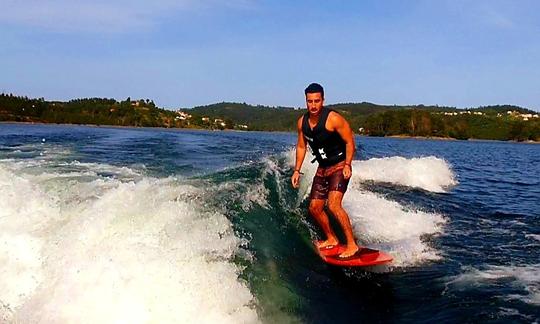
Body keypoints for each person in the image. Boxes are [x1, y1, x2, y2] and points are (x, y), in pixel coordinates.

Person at [291, 83, 360, 258]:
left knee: (334, 205)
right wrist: (297, 170)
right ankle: (332, 238)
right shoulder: (302, 122)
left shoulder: (333, 119)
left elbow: (350, 141)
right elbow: (301, 146)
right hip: (322, 169)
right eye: (309, 101)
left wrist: (348, 165)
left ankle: (352, 245)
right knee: (314, 208)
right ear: (305, 101)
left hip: (339, 166)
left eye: (317, 101)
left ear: (323, 99)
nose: (313, 105)